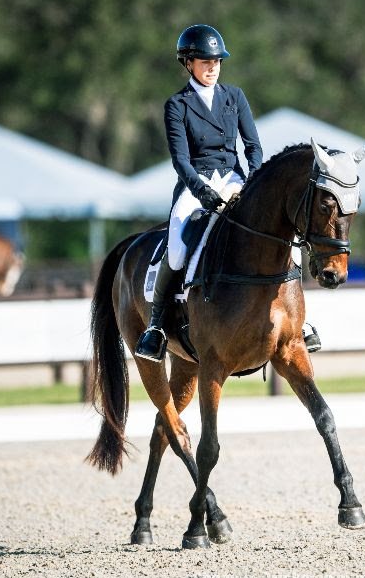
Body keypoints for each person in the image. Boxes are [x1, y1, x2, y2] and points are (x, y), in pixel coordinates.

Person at [135, 24, 321, 361]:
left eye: (216, 61)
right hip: (197, 186)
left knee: (283, 234)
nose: (212, 67)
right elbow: (180, 160)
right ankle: (157, 325)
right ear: (188, 63)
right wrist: (202, 192)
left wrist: (255, 182)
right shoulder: (177, 105)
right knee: (177, 248)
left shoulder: (234, 97)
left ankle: (300, 322)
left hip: (235, 180)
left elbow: (253, 146)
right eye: (205, 61)